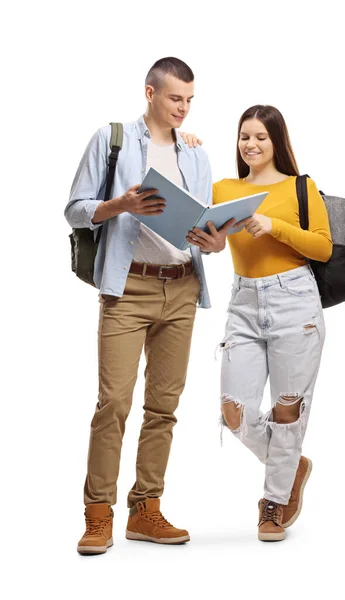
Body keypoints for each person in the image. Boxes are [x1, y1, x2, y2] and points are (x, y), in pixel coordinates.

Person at [65, 57, 232, 554]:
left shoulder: (196, 154)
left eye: (189, 100)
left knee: (163, 408)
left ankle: (146, 509)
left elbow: (201, 229)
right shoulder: (112, 139)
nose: (182, 108)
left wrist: (216, 241)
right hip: (127, 288)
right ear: (150, 93)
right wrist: (122, 205)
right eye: (175, 98)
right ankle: (98, 514)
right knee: (113, 403)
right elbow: (74, 209)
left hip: (181, 288)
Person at [183, 105, 332, 541]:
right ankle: (292, 466)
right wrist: (186, 146)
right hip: (244, 302)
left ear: (276, 142)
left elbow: (322, 248)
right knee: (234, 413)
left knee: (288, 410)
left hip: (295, 301)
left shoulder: (300, 187)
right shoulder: (224, 188)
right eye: (244, 136)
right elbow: (207, 235)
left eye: (260, 137)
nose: (250, 144)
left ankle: (273, 503)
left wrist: (274, 226)